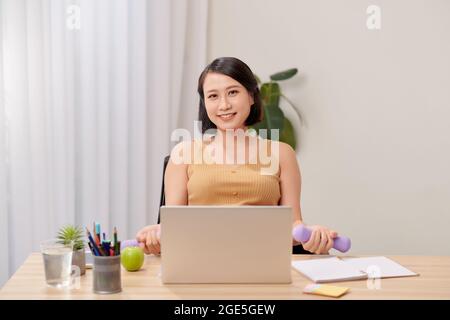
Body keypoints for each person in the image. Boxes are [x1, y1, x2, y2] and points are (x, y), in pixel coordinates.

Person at [136, 57, 339, 255]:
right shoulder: (183, 154)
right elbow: (174, 227)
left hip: (263, 263)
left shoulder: (282, 153)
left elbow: (293, 226)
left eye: (233, 92)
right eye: (213, 96)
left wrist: (312, 236)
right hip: (199, 263)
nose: (224, 105)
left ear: (251, 96)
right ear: (205, 103)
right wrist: (157, 236)